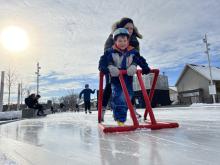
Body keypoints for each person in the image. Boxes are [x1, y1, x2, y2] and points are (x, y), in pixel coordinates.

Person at [99, 28, 151, 126]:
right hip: (116, 78)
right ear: (115, 41)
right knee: (119, 97)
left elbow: (140, 59)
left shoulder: (133, 51)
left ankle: (120, 115)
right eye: (120, 41)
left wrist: (144, 67)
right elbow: (103, 60)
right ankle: (120, 120)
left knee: (129, 96)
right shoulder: (110, 51)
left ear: (128, 41)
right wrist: (107, 67)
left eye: (124, 41)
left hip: (128, 78)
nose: (122, 43)